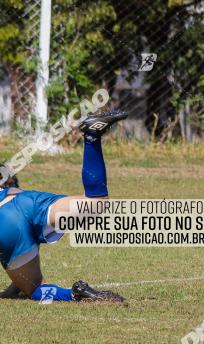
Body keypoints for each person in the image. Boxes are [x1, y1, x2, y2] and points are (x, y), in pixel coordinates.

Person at [0, 110, 128, 303]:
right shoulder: (11, 188)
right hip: (26, 201)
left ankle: (75, 293)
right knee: (95, 204)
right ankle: (92, 136)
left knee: (37, 291)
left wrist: (26, 280)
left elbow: (14, 240)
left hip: (6, 223)